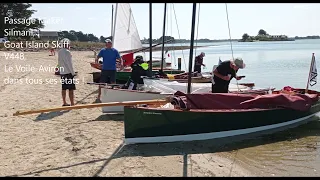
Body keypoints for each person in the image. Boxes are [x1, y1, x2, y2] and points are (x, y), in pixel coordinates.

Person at [58, 38, 76, 106]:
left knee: (64, 88)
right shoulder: (67, 52)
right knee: (71, 89)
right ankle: (72, 103)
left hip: (62, 72)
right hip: (68, 73)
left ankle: (64, 102)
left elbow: (59, 62)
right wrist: (73, 73)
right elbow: (69, 64)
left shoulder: (60, 51)